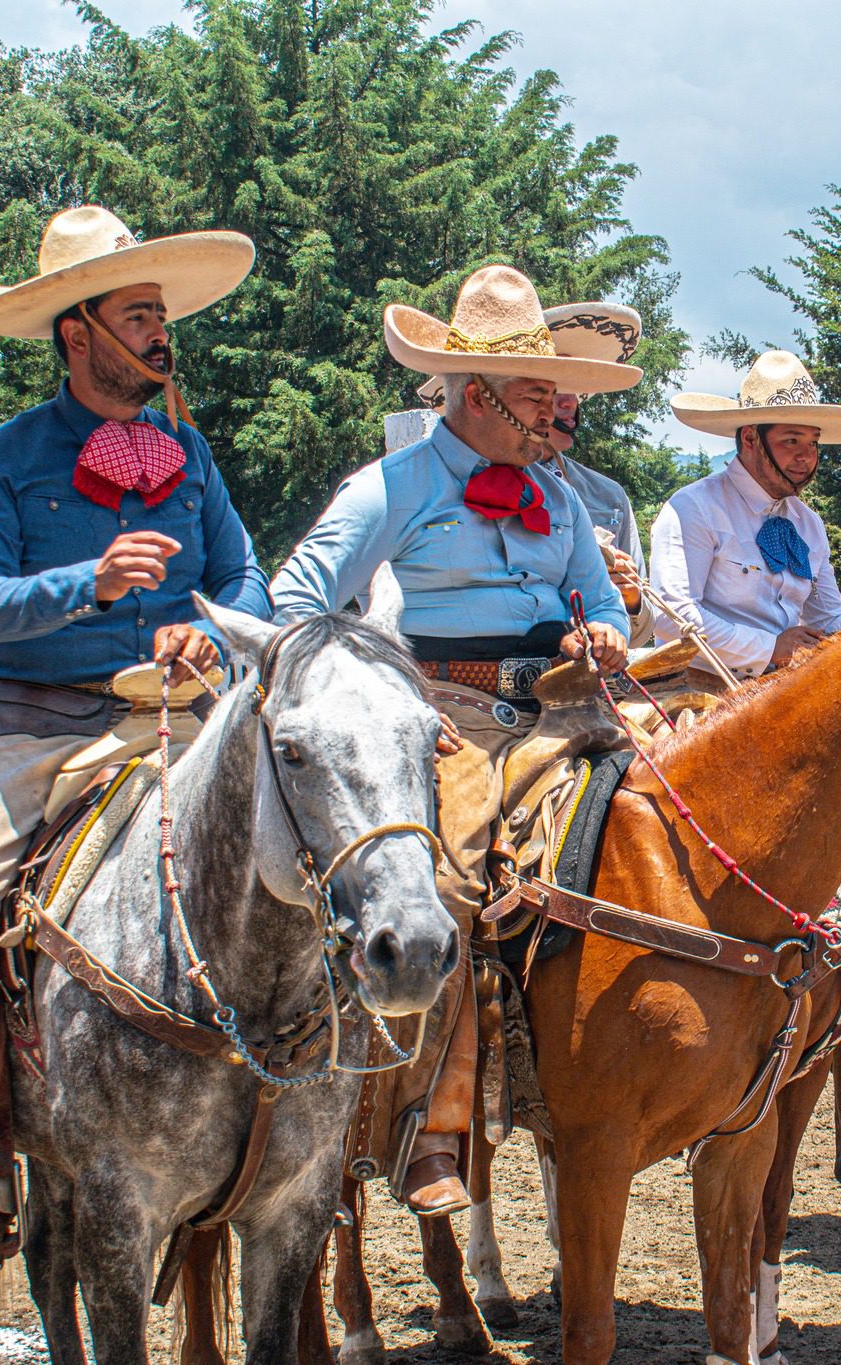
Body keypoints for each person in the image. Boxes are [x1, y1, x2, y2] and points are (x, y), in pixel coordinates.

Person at [0, 205, 270, 1278]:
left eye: (162, 314)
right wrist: (90, 584)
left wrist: (201, 629)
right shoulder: (3, 458)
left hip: (174, 723)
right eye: (139, 316)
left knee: (312, 865)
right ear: (79, 334)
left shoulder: (192, 455)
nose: (161, 335)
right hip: (35, 724)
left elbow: (243, 579)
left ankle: (307, 1136)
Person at [271, 264, 637, 1216]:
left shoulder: (557, 498)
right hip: (445, 714)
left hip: (564, 708)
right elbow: (295, 604)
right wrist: (385, 697)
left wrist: (603, 632)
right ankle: (430, 1122)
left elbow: (600, 600)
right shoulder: (390, 485)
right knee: (453, 880)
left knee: (669, 817)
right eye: (536, 394)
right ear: (478, 395)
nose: (555, 410)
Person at [650, 350, 841, 681]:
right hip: (697, 688)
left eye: (813, 443)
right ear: (751, 438)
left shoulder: (809, 523)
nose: (806, 457)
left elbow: (827, 616)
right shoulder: (694, 508)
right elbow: (672, 616)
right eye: (791, 441)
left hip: (779, 689)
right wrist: (769, 647)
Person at [421, 301, 653, 640]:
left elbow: (641, 629)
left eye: (569, 387)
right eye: (542, 391)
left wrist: (630, 600)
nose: (566, 402)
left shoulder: (606, 496)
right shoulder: (431, 480)